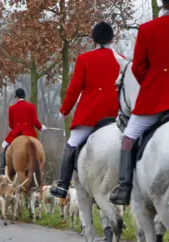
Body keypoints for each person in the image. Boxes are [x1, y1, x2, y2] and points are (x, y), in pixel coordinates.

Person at [108, 0, 169, 206]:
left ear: (162, 3)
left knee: (130, 135)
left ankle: (124, 187)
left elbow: (138, 68)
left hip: (156, 97)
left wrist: (153, 83)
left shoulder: (147, 29)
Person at [50, 21, 123, 198]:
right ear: (112, 39)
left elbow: (75, 88)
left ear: (93, 40)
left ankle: (63, 184)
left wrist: (64, 111)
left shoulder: (84, 59)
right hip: (115, 114)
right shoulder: (121, 59)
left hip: (91, 115)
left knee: (72, 144)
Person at [0, 88, 46, 175]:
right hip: (30, 133)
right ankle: (40, 169)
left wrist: (16, 127)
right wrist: (41, 127)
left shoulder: (12, 108)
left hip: (15, 133)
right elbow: (35, 121)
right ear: (24, 97)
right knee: (38, 146)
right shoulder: (31, 106)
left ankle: (2, 170)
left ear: (16, 97)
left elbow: (11, 125)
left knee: (3, 146)